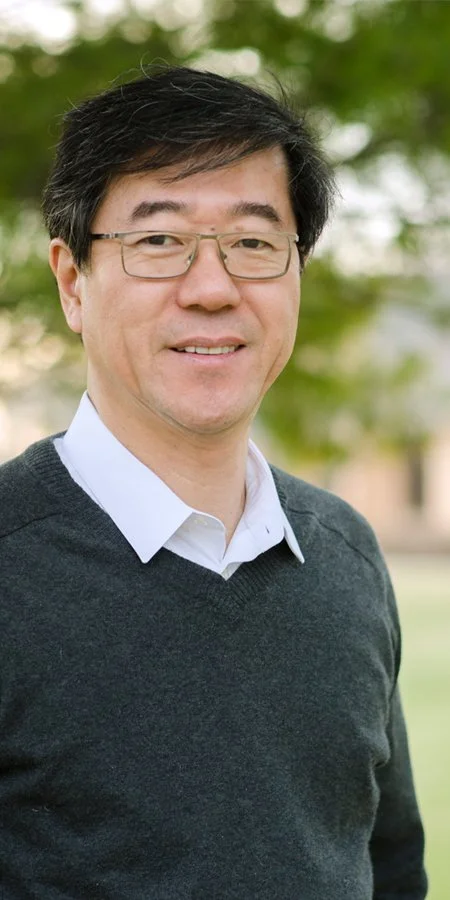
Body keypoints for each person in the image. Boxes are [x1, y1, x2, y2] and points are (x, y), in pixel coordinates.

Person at [0, 65, 427, 899]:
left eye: (254, 243)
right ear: (71, 281)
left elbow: (390, 863)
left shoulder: (345, 554)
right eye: (159, 241)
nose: (211, 288)